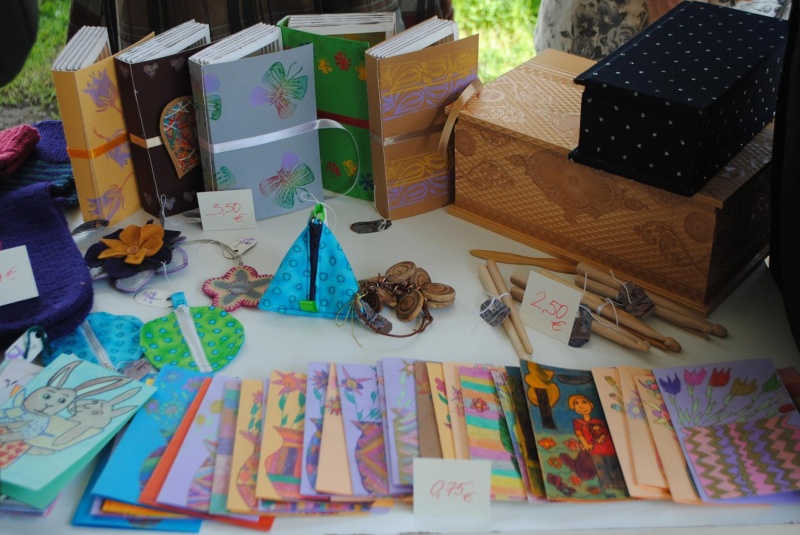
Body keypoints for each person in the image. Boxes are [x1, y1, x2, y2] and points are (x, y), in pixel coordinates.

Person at [566, 394, 626, 491]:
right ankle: (607, 486)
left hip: (608, 448)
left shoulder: (598, 421)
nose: (581, 406)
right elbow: (579, 434)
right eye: (576, 404)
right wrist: (585, 444)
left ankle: (619, 485)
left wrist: (601, 436)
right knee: (601, 468)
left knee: (613, 466)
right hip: (594, 450)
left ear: (590, 405)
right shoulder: (578, 422)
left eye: (583, 402)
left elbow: (605, 432)